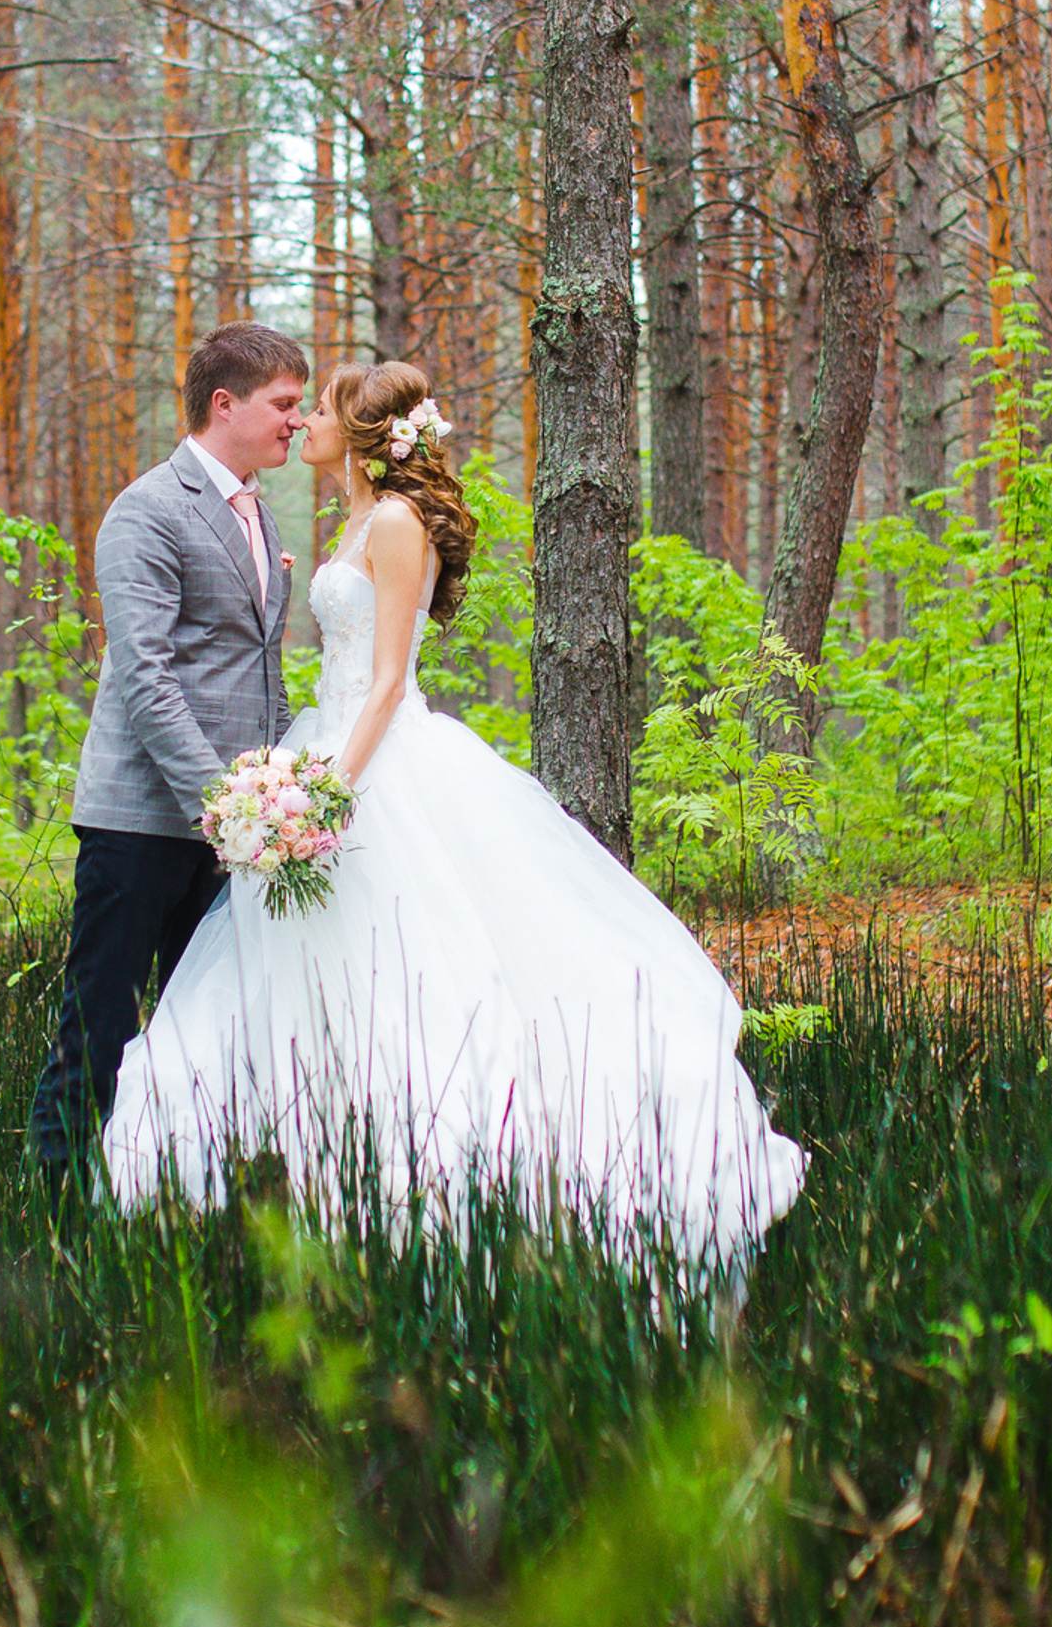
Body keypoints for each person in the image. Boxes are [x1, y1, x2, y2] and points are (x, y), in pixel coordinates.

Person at [101, 360, 805, 1260]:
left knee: (413, 977)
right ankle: (310, 1178)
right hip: (324, 746)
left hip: (373, 766)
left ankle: (438, 1184)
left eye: (317, 408)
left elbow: (390, 682)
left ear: (361, 432)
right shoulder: (349, 518)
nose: (303, 422)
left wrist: (322, 797)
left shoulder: (394, 521)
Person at [29, 322, 309, 1190]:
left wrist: (287, 782)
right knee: (100, 1020)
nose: (296, 422)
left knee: (205, 1026)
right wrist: (225, 801)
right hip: (143, 821)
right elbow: (146, 680)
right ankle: (60, 1206)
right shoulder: (147, 509)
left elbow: (254, 671)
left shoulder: (258, 510)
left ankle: (172, 1192)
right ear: (224, 404)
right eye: (283, 404)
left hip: (229, 830)